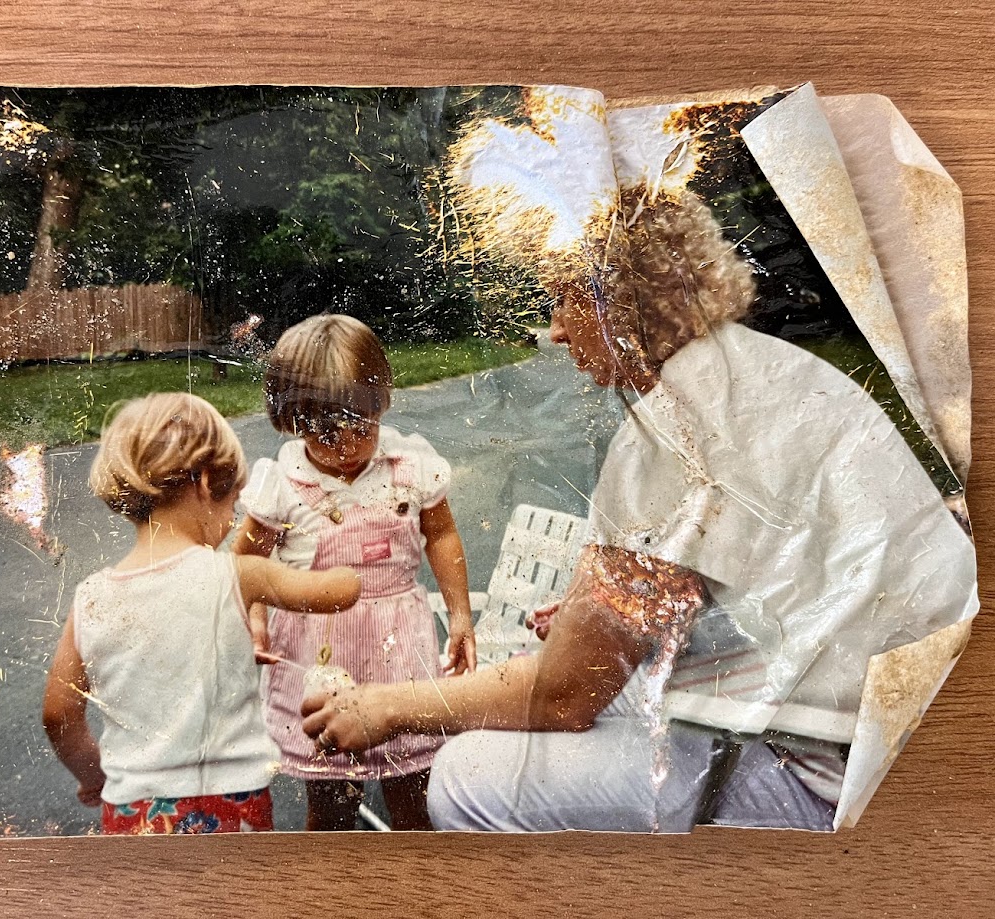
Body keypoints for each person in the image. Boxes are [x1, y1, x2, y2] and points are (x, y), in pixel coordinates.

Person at [300, 193, 977, 833]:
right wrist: (609, 619)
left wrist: (386, 706)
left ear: (618, 298)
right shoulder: (754, 367)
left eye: (564, 299)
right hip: (922, 725)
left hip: (842, 779)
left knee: (465, 777)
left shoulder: (673, 423)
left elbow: (566, 694)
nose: (556, 330)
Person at [42, 392, 360, 835]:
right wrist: (346, 553)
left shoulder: (90, 597)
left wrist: (95, 776)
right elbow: (336, 593)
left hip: (134, 810)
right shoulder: (237, 574)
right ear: (208, 483)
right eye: (233, 506)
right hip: (231, 801)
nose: (231, 521)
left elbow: (58, 713)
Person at [234, 314, 476, 831]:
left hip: (398, 650)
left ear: (380, 404)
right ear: (292, 420)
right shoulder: (284, 482)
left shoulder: (409, 465)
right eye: (324, 433)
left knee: (413, 792)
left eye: (361, 427)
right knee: (331, 803)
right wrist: (253, 620)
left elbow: (441, 535)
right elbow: (245, 563)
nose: (345, 444)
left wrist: (460, 615)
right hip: (318, 656)